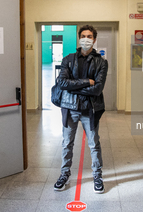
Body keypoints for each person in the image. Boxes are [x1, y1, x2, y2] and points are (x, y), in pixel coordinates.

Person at [54, 25, 108, 193]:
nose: (86, 39)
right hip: (70, 108)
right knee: (67, 143)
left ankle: (97, 176)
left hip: (90, 109)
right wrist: (87, 82)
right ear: (79, 38)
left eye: (89, 36)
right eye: (83, 35)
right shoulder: (68, 59)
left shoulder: (101, 62)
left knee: (94, 144)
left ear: (94, 39)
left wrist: (73, 86)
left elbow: (97, 89)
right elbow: (61, 83)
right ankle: (64, 174)